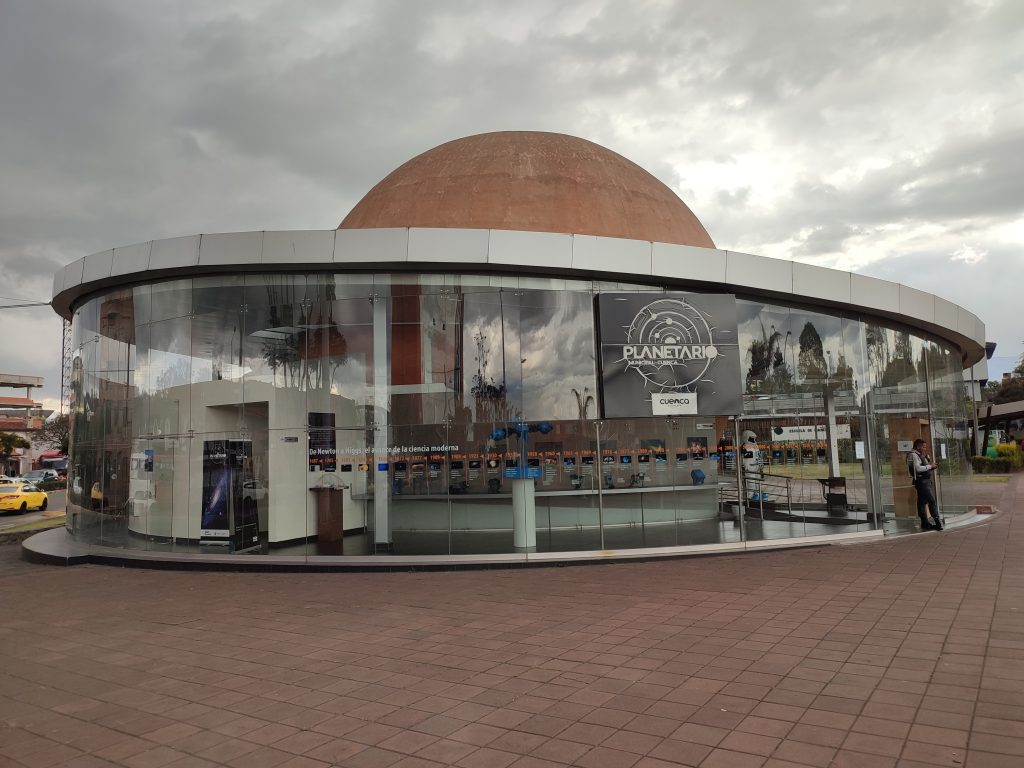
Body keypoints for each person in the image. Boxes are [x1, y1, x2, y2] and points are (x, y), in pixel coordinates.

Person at [907, 438, 941, 531]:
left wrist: (931, 467)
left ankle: (925, 523)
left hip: (925, 481)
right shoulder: (913, 455)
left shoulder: (919, 455)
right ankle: (937, 521)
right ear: (918, 446)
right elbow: (917, 468)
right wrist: (930, 466)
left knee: (921, 503)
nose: (925, 449)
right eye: (923, 447)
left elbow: (923, 468)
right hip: (921, 482)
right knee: (932, 500)